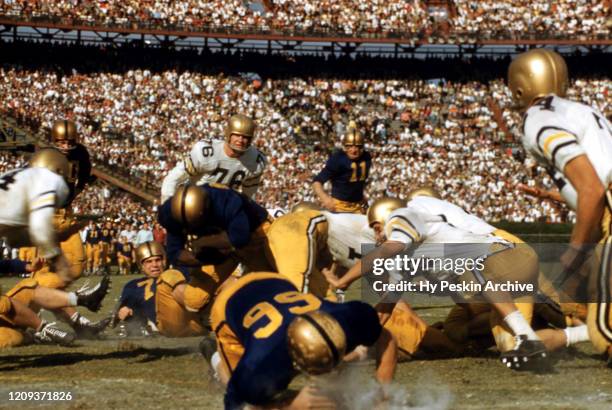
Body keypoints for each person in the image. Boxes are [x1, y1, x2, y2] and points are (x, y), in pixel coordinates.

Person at [324, 196, 551, 370]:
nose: (376, 235)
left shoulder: (401, 218)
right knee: (462, 328)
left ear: (386, 216)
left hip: (506, 256)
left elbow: (386, 249)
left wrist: (344, 280)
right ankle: (575, 331)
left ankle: (527, 334)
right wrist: (359, 345)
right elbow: (386, 308)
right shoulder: (406, 255)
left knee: (474, 267)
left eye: (375, 227)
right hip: (492, 276)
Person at [507, 49, 612, 364]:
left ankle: (560, 337)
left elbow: (592, 190)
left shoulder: (536, 119)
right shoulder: (584, 110)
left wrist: (576, 250)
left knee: (603, 328)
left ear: (520, 87)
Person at [209, 272, 397, 410]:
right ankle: (215, 357)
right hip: (228, 306)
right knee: (245, 391)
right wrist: (289, 405)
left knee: (340, 379)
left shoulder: (345, 318)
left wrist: (383, 395)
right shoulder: (262, 362)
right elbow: (237, 405)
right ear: (293, 360)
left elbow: (385, 337)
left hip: (275, 280)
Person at [113, 241, 212, 337]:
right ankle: (204, 310)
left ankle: (209, 314)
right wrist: (123, 310)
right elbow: (120, 312)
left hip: (195, 324)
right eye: (149, 262)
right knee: (168, 275)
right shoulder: (133, 285)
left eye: (158, 260)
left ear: (164, 260)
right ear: (141, 265)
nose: (154, 265)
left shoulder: (181, 271)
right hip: (170, 325)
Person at [160, 114, 267, 202]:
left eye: (245, 137)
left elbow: (249, 196)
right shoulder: (207, 152)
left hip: (223, 207)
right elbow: (173, 178)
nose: (241, 140)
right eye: (237, 135)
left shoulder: (255, 160)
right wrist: (168, 207)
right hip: (195, 200)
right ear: (228, 134)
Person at [312, 128, 372, 213]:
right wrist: (325, 198)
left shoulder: (366, 157)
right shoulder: (337, 159)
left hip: (359, 205)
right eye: (350, 146)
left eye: (358, 146)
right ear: (345, 147)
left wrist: (361, 195)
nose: (354, 150)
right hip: (339, 206)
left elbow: (356, 181)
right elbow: (317, 182)